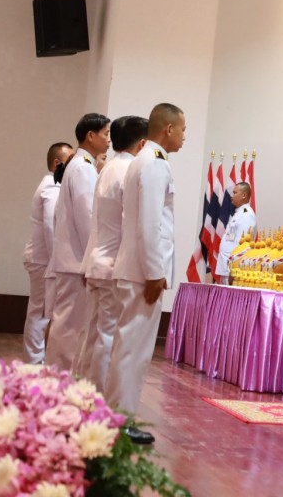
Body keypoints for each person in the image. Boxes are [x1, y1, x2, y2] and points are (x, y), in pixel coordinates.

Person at [107, 103, 186, 444]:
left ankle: (116, 416)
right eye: (183, 129)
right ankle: (120, 421)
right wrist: (155, 272)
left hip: (137, 269)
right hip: (143, 273)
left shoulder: (145, 160)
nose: (185, 136)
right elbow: (150, 224)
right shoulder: (154, 164)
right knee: (132, 350)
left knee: (129, 347)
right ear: (168, 129)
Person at [77, 115, 148, 390]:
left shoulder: (107, 167)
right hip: (112, 264)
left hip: (98, 260)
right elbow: (130, 223)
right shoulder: (129, 171)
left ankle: (84, 389)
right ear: (141, 143)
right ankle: (98, 395)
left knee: (94, 334)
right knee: (107, 335)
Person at [45, 113, 111, 371]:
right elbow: (88, 219)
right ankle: (58, 379)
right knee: (70, 327)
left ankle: (58, 377)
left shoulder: (82, 165)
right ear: (90, 136)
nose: (108, 140)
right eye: (105, 134)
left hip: (73, 259)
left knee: (69, 324)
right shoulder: (83, 167)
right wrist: (92, 261)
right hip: (77, 261)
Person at [22, 142, 73, 363]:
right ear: (57, 163)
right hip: (45, 259)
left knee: (41, 311)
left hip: (43, 259)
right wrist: (57, 260)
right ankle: (34, 362)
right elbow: (51, 225)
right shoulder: (52, 185)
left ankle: (35, 359)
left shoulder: (53, 185)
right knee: (40, 313)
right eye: (69, 160)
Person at [214, 182, 255, 285]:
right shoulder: (240, 213)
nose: (232, 196)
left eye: (235, 193)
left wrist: (235, 269)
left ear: (244, 195)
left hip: (232, 269)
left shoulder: (247, 215)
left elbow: (243, 245)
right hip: (226, 266)